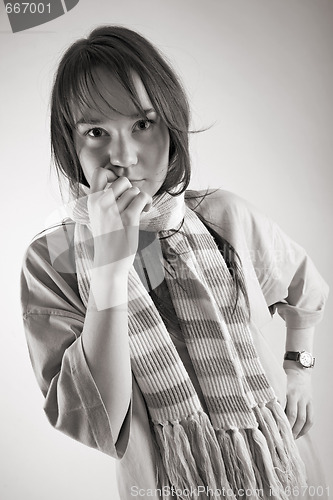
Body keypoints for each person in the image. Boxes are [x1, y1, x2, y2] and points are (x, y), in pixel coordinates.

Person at [21, 26, 329, 500]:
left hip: (281, 467)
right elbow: (97, 423)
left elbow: (303, 285)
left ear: (171, 123)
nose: (123, 156)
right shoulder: (53, 256)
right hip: (167, 485)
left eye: (142, 124)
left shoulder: (219, 216)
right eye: (96, 132)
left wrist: (299, 369)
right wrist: (109, 263)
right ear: (71, 144)